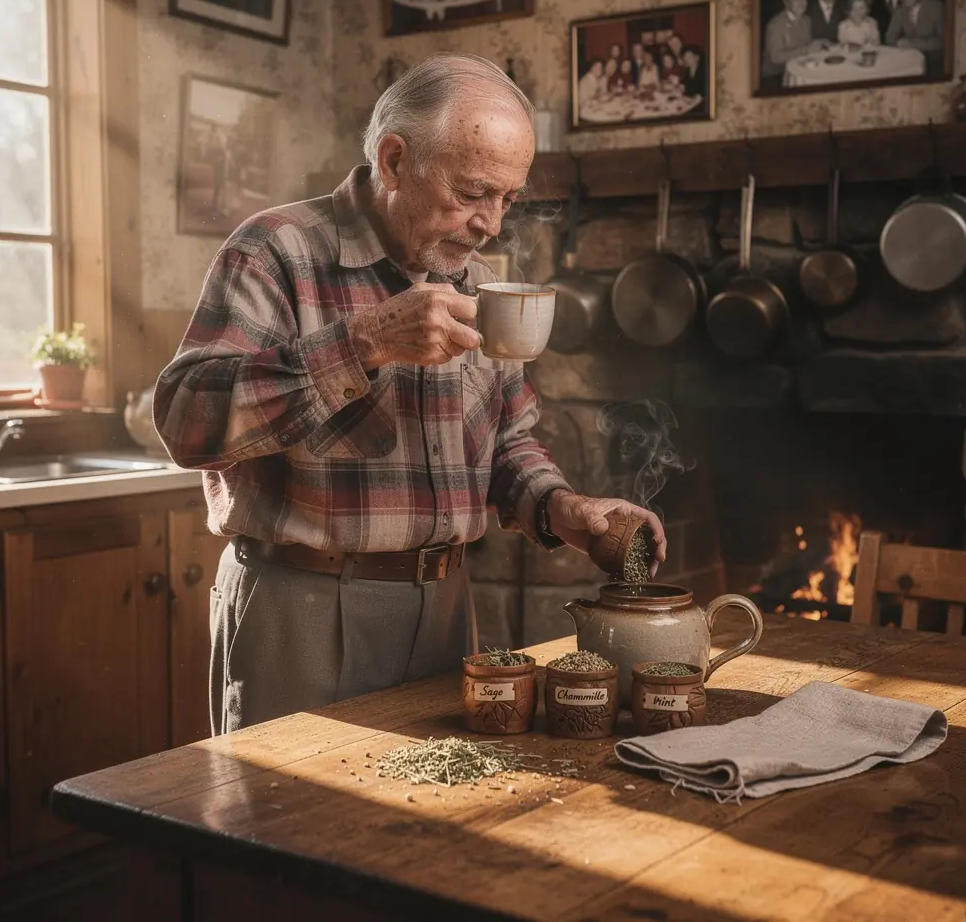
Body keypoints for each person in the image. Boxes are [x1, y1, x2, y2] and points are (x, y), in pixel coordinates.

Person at [153, 54, 667, 735]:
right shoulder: (275, 250)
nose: (491, 223)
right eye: (474, 191)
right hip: (301, 606)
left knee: (424, 832)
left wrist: (562, 508)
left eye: (507, 200)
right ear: (394, 161)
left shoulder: (479, 281)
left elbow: (508, 443)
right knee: (282, 826)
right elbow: (186, 421)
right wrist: (361, 342)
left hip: (447, 608)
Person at [885, 0, 944, 73]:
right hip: (908, 63)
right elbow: (889, 36)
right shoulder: (901, 10)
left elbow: (943, 41)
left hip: (934, 66)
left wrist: (913, 43)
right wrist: (898, 43)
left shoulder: (937, 7)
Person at [762, 0, 814, 80]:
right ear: (786, 2)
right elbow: (775, 57)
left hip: (800, 67)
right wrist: (805, 50)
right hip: (777, 75)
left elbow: (808, 45)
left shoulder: (806, 20)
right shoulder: (775, 25)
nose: (801, 3)